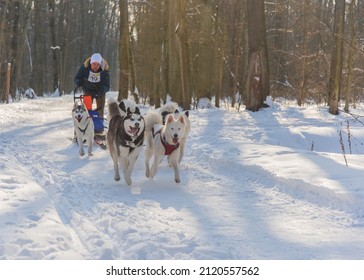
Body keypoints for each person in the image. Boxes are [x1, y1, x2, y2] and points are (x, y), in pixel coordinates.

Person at [74, 53, 110, 121]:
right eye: (94, 64)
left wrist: (102, 89)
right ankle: (86, 123)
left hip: (100, 92)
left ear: (100, 64)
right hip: (88, 90)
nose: (95, 66)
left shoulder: (104, 71)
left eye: (97, 64)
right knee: (86, 109)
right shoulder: (84, 68)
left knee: (100, 109)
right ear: (90, 63)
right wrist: (79, 82)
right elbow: (77, 78)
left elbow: (107, 86)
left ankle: (99, 125)